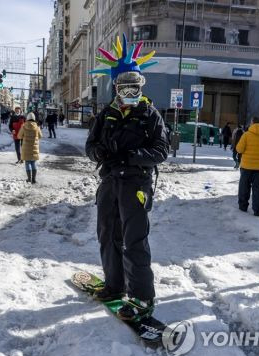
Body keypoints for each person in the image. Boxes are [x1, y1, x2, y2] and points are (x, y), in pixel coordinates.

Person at [85, 35, 169, 321]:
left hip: (136, 184)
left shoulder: (149, 115)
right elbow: (90, 145)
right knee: (108, 235)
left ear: (140, 86)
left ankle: (142, 297)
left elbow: (160, 150)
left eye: (135, 86)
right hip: (109, 182)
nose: (129, 91)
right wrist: (99, 153)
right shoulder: (106, 114)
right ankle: (114, 285)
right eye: (124, 86)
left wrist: (131, 156)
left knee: (133, 240)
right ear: (117, 87)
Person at [236, 116, 259, 216]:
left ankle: (243, 206)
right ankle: (257, 210)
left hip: (246, 167)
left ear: (253, 123)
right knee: (257, 189)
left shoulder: (246, 135)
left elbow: (239, 149)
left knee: (244, 187)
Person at [17, 112, 43, 183]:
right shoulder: (37, 127)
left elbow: (19, 136)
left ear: (27, 118)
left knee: (27, 163)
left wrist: (24, 136)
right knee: (33, 163)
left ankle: (29, 178)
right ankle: (34, 179)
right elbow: (40, 136)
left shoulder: (24, 126)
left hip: (26, 147)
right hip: (34, 148)